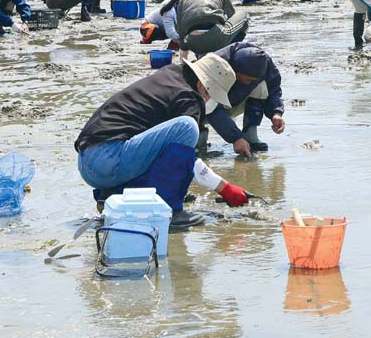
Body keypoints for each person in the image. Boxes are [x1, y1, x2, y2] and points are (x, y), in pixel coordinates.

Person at [74, 54, 251, 227]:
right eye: (211, 96)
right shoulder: (188, 98)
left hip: (88, 161)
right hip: (109, 160)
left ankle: (112, 196)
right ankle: (169, 209)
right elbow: (188, 160)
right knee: (187, 127)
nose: (209, 101)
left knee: (165, 146)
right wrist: (224, 188)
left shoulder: (170, 77)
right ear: (202, 86)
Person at [205, 42, 286, 154]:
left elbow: (274, 89)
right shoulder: (217, 64)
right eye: (248, 79)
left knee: (262, 86)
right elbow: (211, 107)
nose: (249, 83)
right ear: (236, 71)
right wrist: (236, 138)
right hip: (204, 107)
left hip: (232, 102)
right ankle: (199, 138)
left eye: (253, 80)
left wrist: (276, 113)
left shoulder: (264, 62)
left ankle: (250, 134)